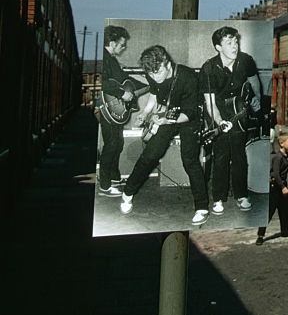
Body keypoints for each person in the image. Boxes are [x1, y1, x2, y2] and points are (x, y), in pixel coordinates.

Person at [119, 45, 210, 226]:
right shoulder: (152, 73)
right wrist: (145, 113)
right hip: (168, 114)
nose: (155, 78)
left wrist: (167, 121)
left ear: (167, 63)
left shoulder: (188, 77)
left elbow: (190, 112)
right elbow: (154, 93)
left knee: (190, 160)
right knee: (150, 155)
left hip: (188, 117)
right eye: (151, 75)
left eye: (158, 72)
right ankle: (127, 193)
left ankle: (202, 207)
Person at [201, 26, 260, 215]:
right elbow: (210, 103)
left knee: (239, 157)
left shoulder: (245, 60)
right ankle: (218, 198)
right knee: (221, 158)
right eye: (229, 43)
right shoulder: (209, 68)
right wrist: (219, 122)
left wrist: (257, 99)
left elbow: (254, 81)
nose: (234, 46)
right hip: (218, 113)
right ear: (218, 47)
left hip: (240, 112)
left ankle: (242, 195)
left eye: (235, 41)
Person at [96, 25, 133, 197]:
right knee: (112, 144)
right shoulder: (104, 58)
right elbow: (103, 82)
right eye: (121, 44)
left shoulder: (111, 59)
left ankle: (114, 179)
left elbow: (122, 80)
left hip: (113, 109)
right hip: (108, 108)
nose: (123, 47)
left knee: (117, 144)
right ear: (111, 43)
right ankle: (104, 185)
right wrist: (121, 93)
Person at [256, 132, 288, 244]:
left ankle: (285, 230)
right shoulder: (278, 157)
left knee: (286, 208)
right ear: (282, 144)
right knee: (269, 211)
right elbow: (276, 174)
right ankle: (260, 235)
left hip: (282, 185)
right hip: (275, 187)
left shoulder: (287, 155)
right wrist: (282, 187)